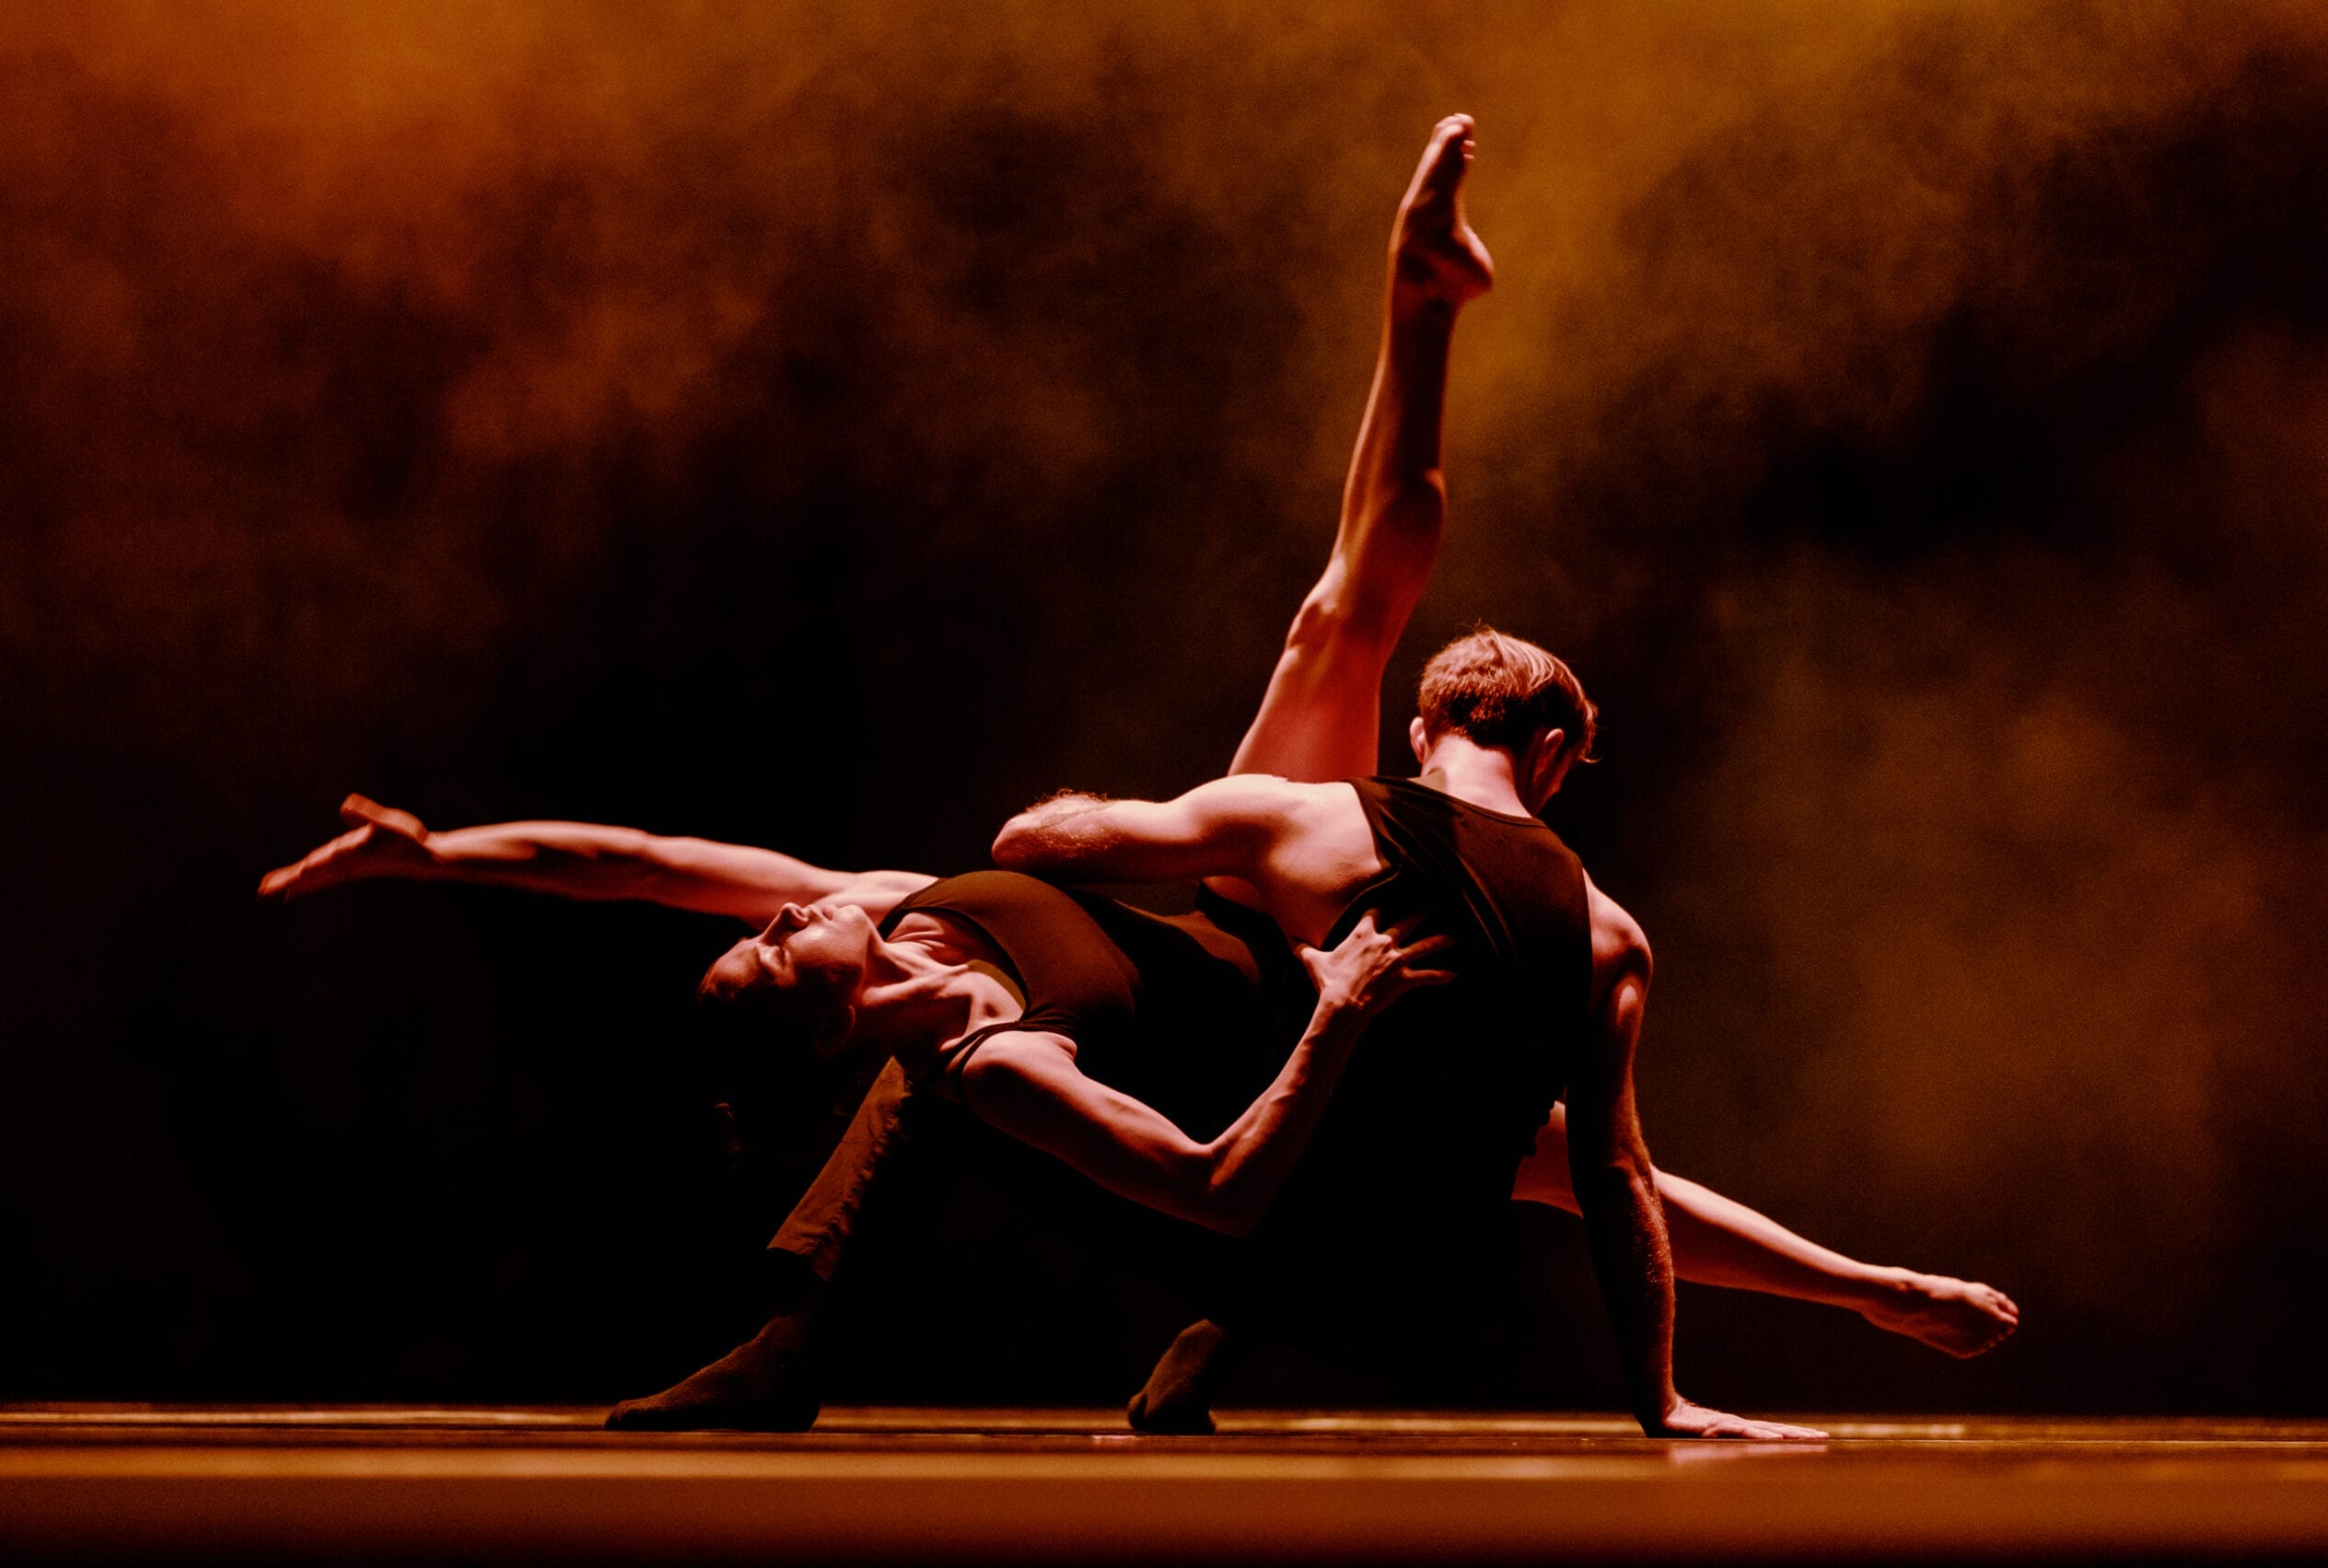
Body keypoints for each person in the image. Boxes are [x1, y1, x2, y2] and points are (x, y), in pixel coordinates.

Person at [259, 113, 2013, 1436]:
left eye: (779, 916)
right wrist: (1860, 1292)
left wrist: (435, 850)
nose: (793, 903)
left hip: (1258, 958)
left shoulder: (886, 913)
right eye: (786, 945)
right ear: (825, 1006)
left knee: (1343, 613)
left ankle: (1419, 312)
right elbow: (1515, 1176)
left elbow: (631, 858)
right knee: (1434, 1111)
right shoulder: (974, 1047)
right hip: (1273, 1107)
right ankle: (837, 1345)